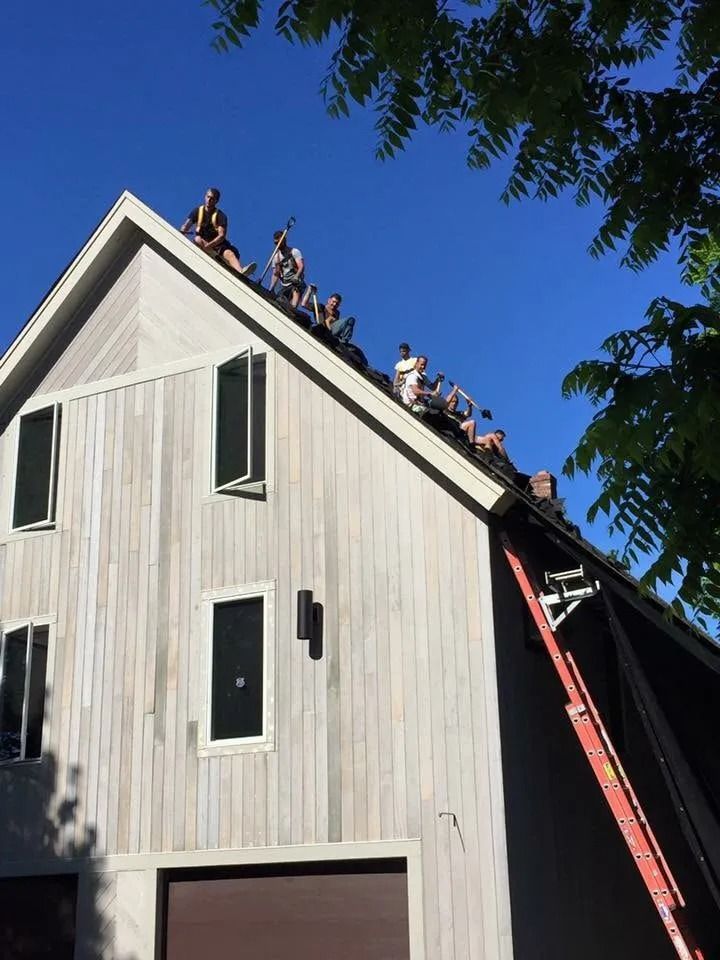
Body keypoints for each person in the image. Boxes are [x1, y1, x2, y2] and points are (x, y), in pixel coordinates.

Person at [180, 188, 256, 276]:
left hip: (218, 245)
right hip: (203, 242)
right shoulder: (197, 211)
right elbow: (186, 226)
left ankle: (241, 272)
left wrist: (209, 246)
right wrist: (182, 232)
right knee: (197, 239)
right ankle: (211, 254)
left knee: (229, 253)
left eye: (212, 198)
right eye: (208, 197)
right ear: (205, 197)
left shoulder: (220, 216)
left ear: (216, 201)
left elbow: (221, 236)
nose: (209, 200)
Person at [270, 230, 305, 308]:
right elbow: (276, 274)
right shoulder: (276, 258)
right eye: (276, 243)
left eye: (279, 242)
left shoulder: (294, 251)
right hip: (285, 284)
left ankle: (293, 308)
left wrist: (297, 276)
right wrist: (271, 288)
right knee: (279, 300)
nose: (278, 245)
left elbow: (301, 266)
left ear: (284, 240)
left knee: (295, 289)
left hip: (296, 282)